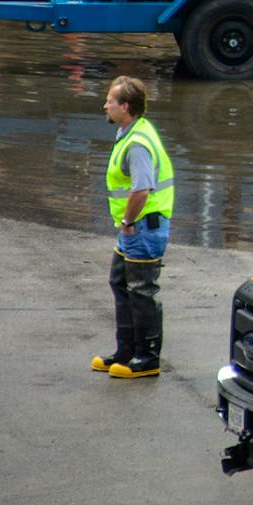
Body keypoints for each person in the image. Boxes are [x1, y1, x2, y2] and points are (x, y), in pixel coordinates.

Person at [92, 76, 176, 379]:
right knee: (120, 282)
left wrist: (127, 221)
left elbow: (142, 189)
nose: (105, 104)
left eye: (110, 101)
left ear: (124, 106)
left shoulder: (137, 143)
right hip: (133, 228)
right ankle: (126, 351)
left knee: (142, 292)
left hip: (142, 228)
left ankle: (147, 358)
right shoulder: (132, 130)